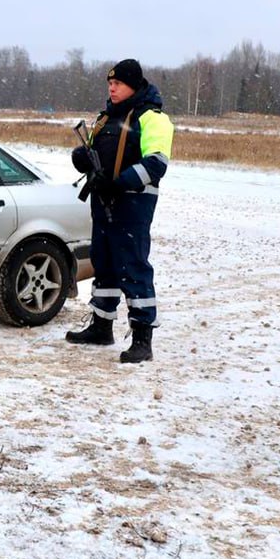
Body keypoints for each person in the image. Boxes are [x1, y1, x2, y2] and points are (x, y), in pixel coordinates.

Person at [65, 58, 174, 363]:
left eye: (118, 84)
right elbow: (90, 150)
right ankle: (101, 326)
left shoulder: (152, 119)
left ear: (134, 85)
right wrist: (82, 158)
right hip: (102, 202)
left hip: (133, 204)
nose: (112, 88)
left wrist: (118, 183)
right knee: (105, 263)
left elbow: (156, 165)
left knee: (133, 267)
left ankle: (142, 339)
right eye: (109, 83)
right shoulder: (105, 118)